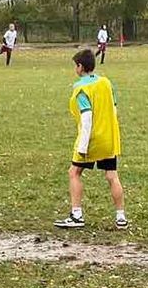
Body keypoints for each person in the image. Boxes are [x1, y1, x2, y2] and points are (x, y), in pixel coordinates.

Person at [54, 49, 127, 230]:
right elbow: (114, 108)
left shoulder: (81, 89)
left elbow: (86, 118)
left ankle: (76, 215)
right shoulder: (106, 83)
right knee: (112, 176)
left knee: (74, 173)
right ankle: (121, 218)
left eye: (75, 66)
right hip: (109, 138)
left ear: (80, 67)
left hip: (91, 139)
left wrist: (83, 146)